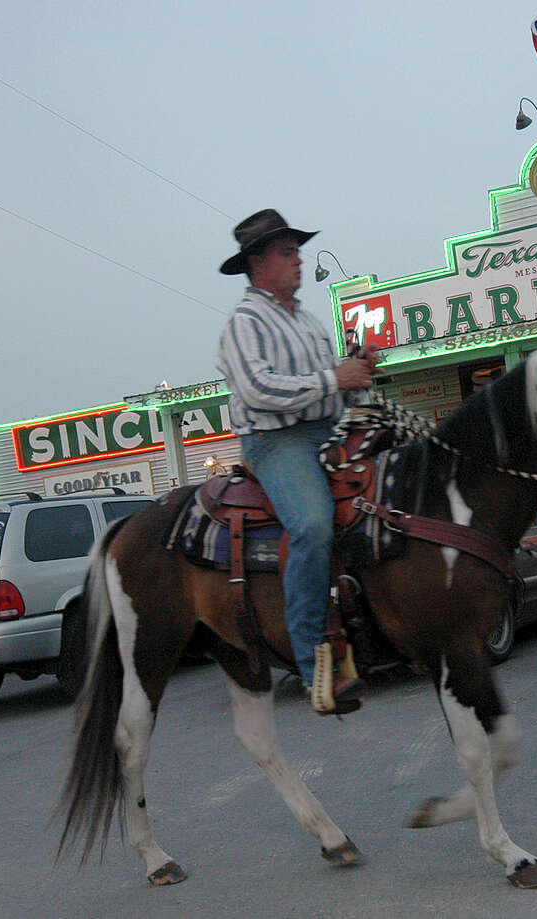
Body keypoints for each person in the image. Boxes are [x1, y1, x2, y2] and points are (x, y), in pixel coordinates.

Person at [216, 209, 377, 715]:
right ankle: (313, 668)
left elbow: (330, 389)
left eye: (298, 250)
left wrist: (356, 374)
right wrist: (336, 379)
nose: (299, 260)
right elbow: (258, 389)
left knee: (389, 495)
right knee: (311, 524)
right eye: (288, 252)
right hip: (275, 440)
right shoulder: (244, 323)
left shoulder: (308, 321)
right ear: (258, 263)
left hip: (324, 428)